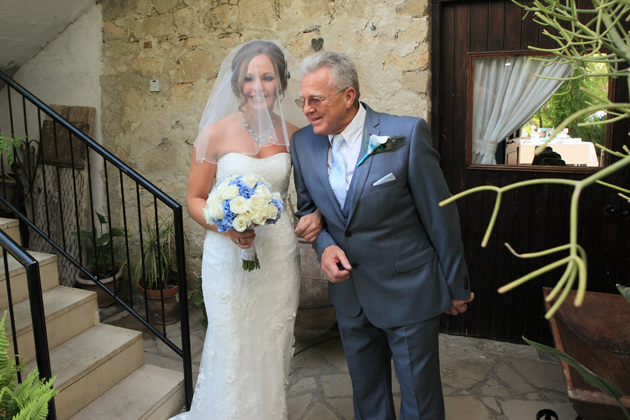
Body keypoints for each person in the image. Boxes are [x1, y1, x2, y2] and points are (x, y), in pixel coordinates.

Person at [291, 50, 475, 420]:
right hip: (349, 295)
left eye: (316, 100)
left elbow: (442, 217)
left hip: (409, 290)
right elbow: (310, 211)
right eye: (303, 100)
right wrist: (324, 248)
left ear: (349, 95)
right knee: (368, 397)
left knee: (420, 402)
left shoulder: (403, 134)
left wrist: (455, 287)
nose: (306, 109)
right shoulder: (303, 144)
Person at [174, 40, 322, 420]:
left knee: (270, 344)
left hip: (277, 256)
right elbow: (194, 198)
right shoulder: (213, 134)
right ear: (238, 84)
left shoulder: (296, 134)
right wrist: (226, 228)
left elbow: (313, 193)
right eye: (250, 78)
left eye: (268, 77)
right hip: (227, 257)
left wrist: (317, 216)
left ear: (281, 83)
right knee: (233, 341)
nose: (259, 85)